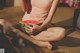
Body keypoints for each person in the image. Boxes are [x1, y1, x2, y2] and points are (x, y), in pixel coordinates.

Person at [0, 0, 65, 50]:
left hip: (40, 26)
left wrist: (39, 28)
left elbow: (49, 19)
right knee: (1, 22)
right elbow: (25, 10)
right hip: (25, 24)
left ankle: (22, 35)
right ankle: (38, 43)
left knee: (61, 33)